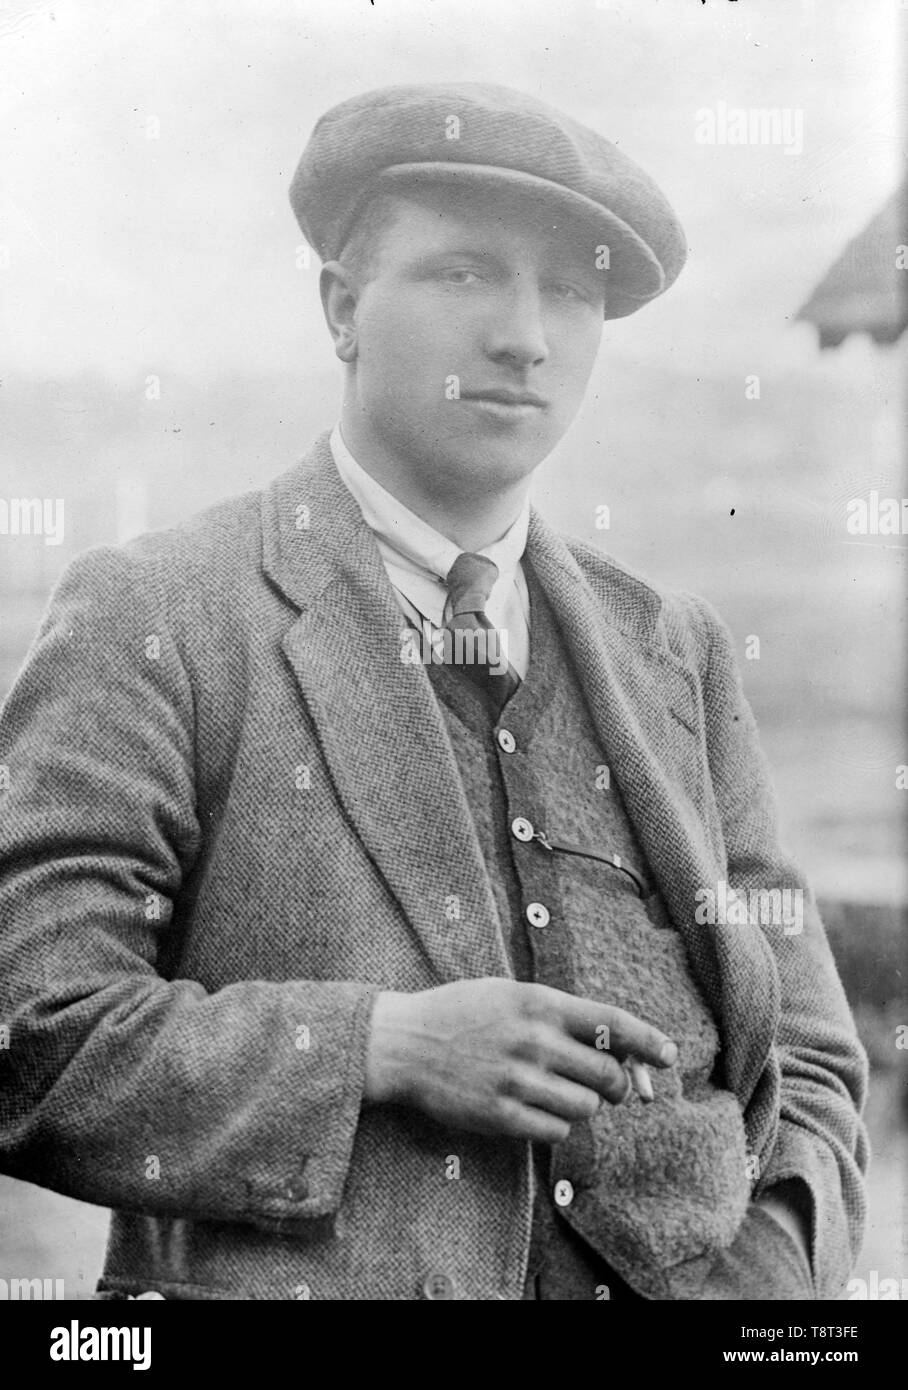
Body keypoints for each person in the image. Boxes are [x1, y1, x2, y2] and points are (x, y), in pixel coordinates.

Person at [0, 82, 868, 1301]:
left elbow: (813, 1061)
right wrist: (380, 1046)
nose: (525, 335)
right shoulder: (160, 615)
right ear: (342, 307)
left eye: (571, 290)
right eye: (465, 274)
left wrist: (762, 1279)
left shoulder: (673, 649)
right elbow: (30, 1029)